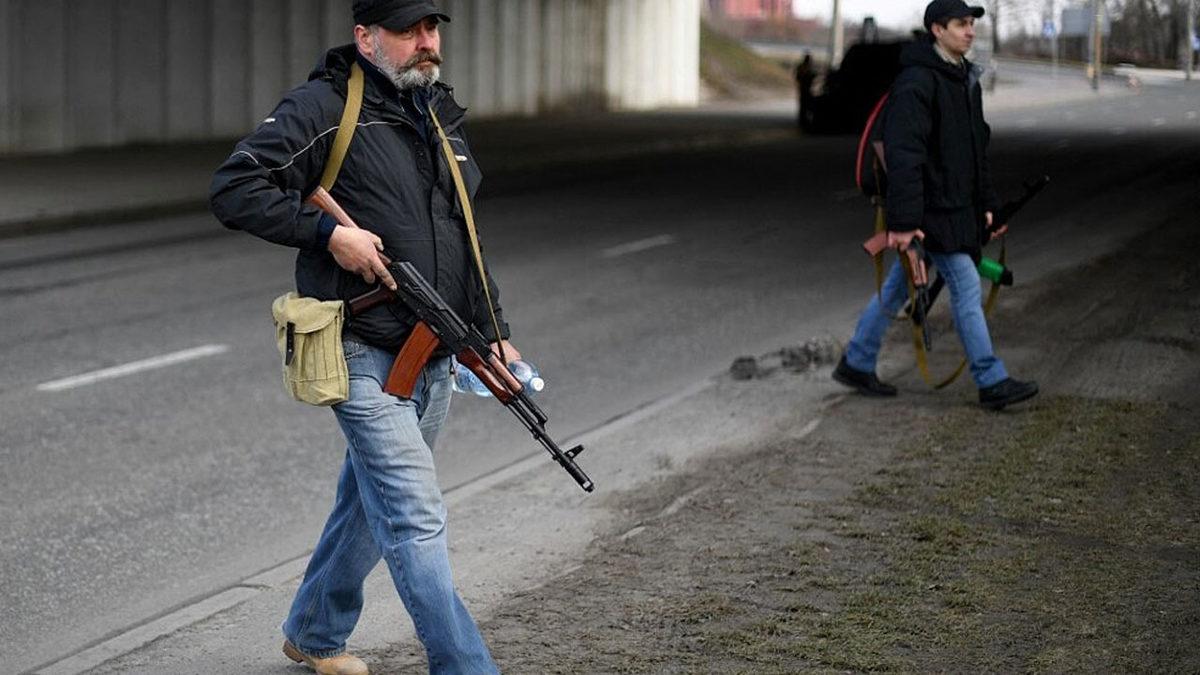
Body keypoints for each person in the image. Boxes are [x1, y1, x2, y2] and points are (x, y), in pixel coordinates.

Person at [210, 1, 510, 672]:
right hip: (356, 344)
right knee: (413, 514)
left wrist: (493, 335)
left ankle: (314, 632)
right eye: (409, 31)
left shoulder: (438, 114)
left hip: (431, 352)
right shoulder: (323, 109)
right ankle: (466, 665)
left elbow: (464, 235)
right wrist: (329, 233)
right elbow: (234, 186)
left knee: (367, 503)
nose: (426, 43)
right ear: (365, 37)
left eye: (432, 29)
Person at [832, 0, 1038, 411]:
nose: (970, 31)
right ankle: (991, 379)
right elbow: (904, 155)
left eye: (971, 23)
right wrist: (905, 222)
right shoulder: (917, 82)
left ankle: (857, 361)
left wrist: (989, 207)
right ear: (937, 30)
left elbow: (975, 152)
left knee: (894, 290)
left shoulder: (964, 79)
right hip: (929, 214)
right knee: (964, 286)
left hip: (952, 209)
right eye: (961, 24)